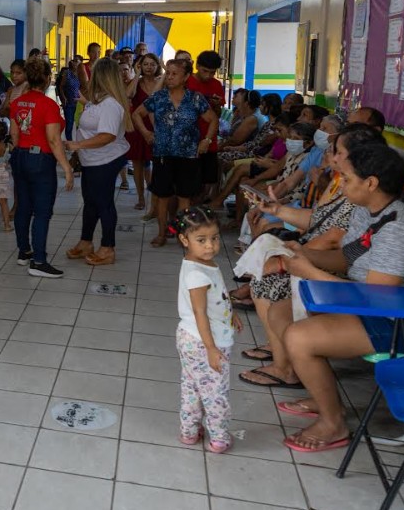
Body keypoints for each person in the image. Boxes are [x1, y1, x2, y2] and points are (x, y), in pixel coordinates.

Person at [276, 143, 404, 454]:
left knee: (299, 338)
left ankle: (334, 423)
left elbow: (375, 297)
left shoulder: (400, 227)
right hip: (384, 311)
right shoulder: (369, 212)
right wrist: (306, 255)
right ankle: (323, 398)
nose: (340, 183)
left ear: (371, 183)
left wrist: (309, 269)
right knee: (296, 311)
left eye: (346, 178)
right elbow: (348, 258)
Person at [237, 123, 384, 388]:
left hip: (350, 281)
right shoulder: (344, 185)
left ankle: (288, 365)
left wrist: (298, 261)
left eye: (337, 151)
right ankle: (282, 354)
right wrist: (279, 212)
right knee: (265, 276)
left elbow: (335, 240)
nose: (332, 156)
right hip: (331, 262)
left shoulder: (363, 197)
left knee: (271, 283)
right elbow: (319, 222)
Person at [174, 207, 241, 453]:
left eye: (214, 238)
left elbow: (217, 297)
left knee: (192, 385)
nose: (210, 246)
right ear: (184, 240)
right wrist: (212, 349)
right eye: (201, 240)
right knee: (216, 392)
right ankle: (220, 438)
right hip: (205, 342)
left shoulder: (200, 263)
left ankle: (189, 431)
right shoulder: (196, 275)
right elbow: (200, 313)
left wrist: (230, 313)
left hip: (190, 338)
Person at [132, 59, 219, 247]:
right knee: (162, 197)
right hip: (163, 153)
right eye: (168, 73)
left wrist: (206, 140)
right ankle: (161, 234)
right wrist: (146, 132)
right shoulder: (159, 97)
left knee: (184, 198)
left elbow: (212, 120)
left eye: (174, 74)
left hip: (188, 155)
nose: (169, 77)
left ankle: (183, 235)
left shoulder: (195, 99)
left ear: (186, 76)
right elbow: (137, 114)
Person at [10, 56, 75, 278]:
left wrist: (22, 156)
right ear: (47, 79)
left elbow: (15, 136)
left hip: (20, 157)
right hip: (40, 161)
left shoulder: (17, 103)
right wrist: (67, 168)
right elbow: (54, 140)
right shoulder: (49, 105)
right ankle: (38, 261)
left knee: (23, 207)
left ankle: (23, 251)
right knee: (42, 212)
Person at [64, 58, 131, 266]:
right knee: (90, 202)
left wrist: (77, 146)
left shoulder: (110, 104)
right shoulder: (100, 99)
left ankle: (107, 248)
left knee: (104, 204)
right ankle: (86, 242)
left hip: (105, 160)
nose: (89, 76)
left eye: (92, 73)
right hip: (92, 160)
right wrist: (85, 103)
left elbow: (107, 136)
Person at [127, 53, 164, 212]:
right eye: (145, 64)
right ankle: (141, 197)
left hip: (157, 126)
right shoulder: (136, 82)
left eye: (152, 64)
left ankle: (153, 194)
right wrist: (136, 75)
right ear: (140, 66)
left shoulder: (162, 82)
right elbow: (128, 95)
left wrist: (164, 72)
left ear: (157, 66)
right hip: (138, 125)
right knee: (138, 163)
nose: (149, 67)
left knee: (155, 163)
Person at [187, 51, 226, 199]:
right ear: (197, 66)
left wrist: (216, 106)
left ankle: (197, 213)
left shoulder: (216, 85)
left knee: (206, 181)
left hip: (209, 140)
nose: (208, 76)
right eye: (205, 71)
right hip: (188, 139)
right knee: (188, 182)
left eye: (212, 72)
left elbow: (218, 115)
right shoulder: (187, 82)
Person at [58, 59, 82, 140]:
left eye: (78, 62)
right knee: (69, 123)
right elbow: (61, 87)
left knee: (80, 123)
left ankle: (79, 140)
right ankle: (69, 141)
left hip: (80, 102)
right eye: (75, 62)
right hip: (69, 102)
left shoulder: (81, 74)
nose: (76, 64)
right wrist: (63, 97)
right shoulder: (67, 73)